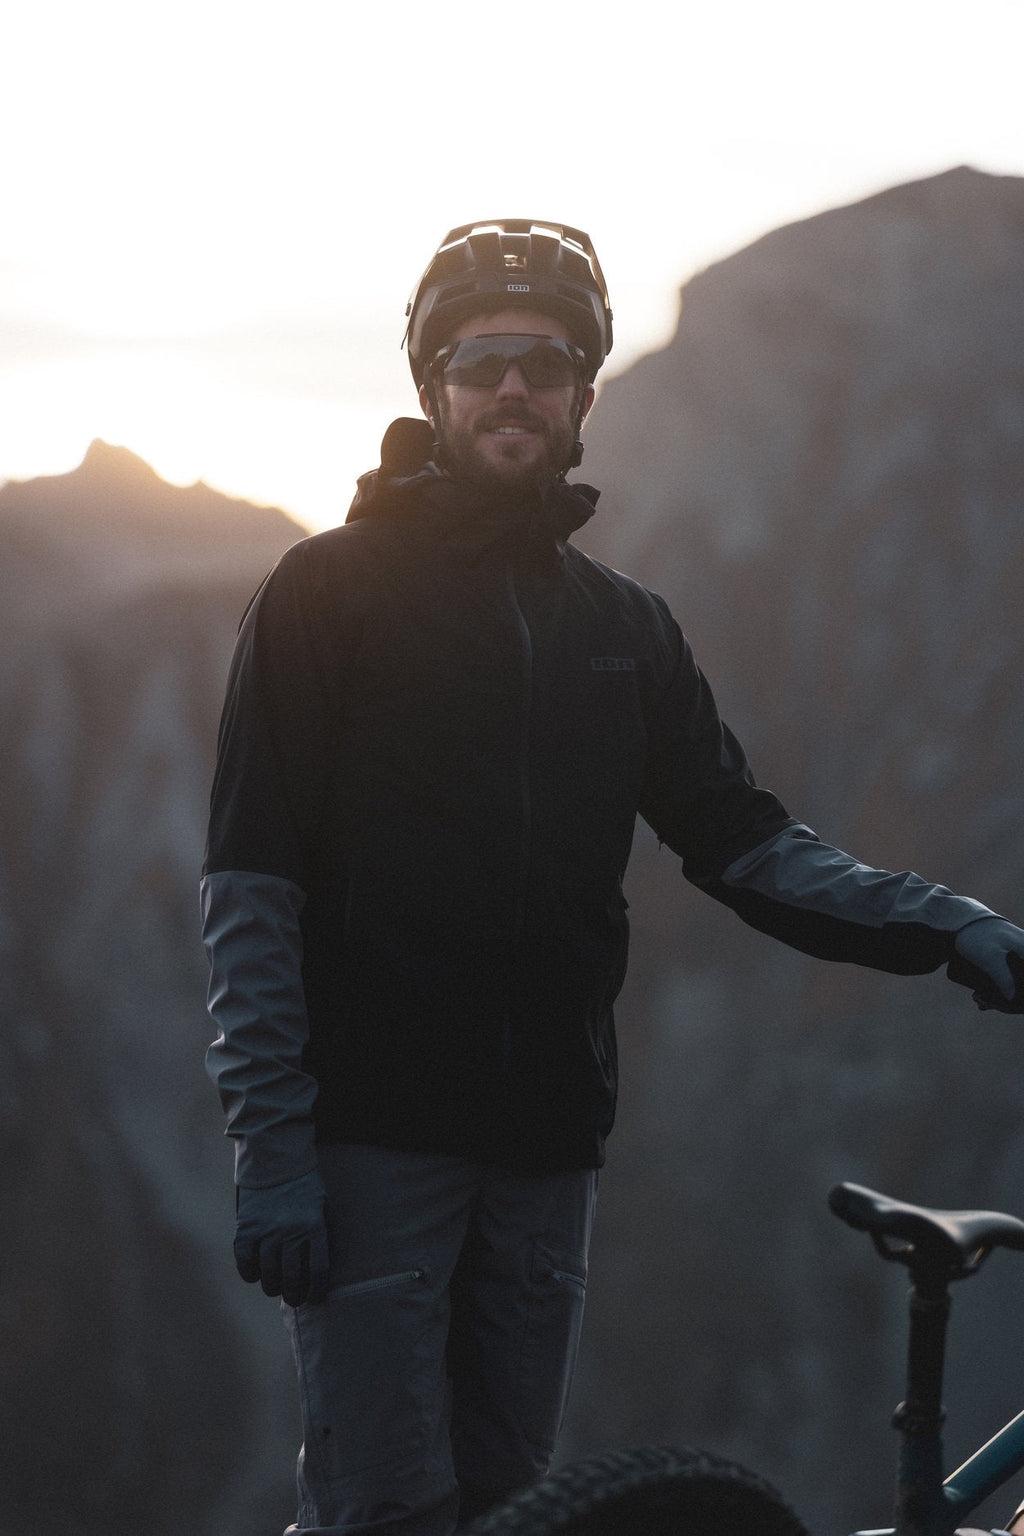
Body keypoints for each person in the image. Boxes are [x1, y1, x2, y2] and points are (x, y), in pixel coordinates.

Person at [201, 218, 1024, 1536]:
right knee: (381, 1507)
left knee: (512, 1507)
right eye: (480, 360)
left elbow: (747, 845)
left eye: (544, 362)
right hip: (372, 1147)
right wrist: (274, 1160)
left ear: (583, 394)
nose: (511, 386)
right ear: (434, 386)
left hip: (546, 1153)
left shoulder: (624, 628)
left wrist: (951, 925)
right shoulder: (326, 593)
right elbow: (253, 891)